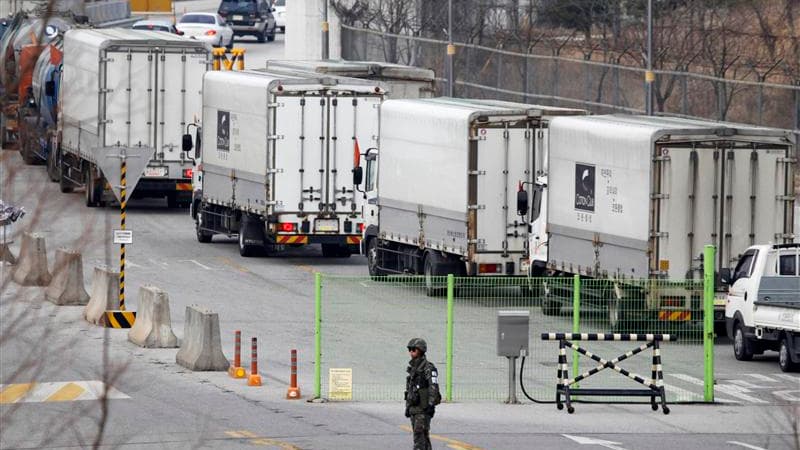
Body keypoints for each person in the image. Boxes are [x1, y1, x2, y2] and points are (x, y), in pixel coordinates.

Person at [404, 337, 441, 450]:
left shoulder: (428, 368)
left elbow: (433, 387)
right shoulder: (413, 368)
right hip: (414, 408)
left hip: (423, 409)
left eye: (414, 349)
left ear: (421, 350)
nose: (411, 351)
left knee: (419, 438)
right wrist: (408, 407)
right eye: (410, 349)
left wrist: (430, 405)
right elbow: (410, 389)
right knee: (423, 438)